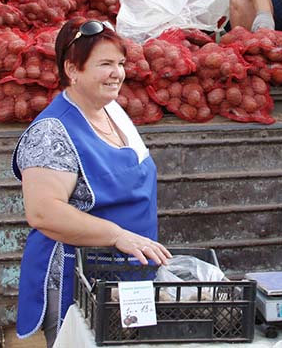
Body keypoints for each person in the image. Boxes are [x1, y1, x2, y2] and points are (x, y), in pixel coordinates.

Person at [12, 18, 171, 347]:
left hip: (127, 273)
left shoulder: (113, 112)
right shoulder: (51, 132)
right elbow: (44, 213)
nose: (118, 73)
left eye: (121, 63)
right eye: (105, 64)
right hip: (78, 281)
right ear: (72, 69)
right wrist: (118, 235)